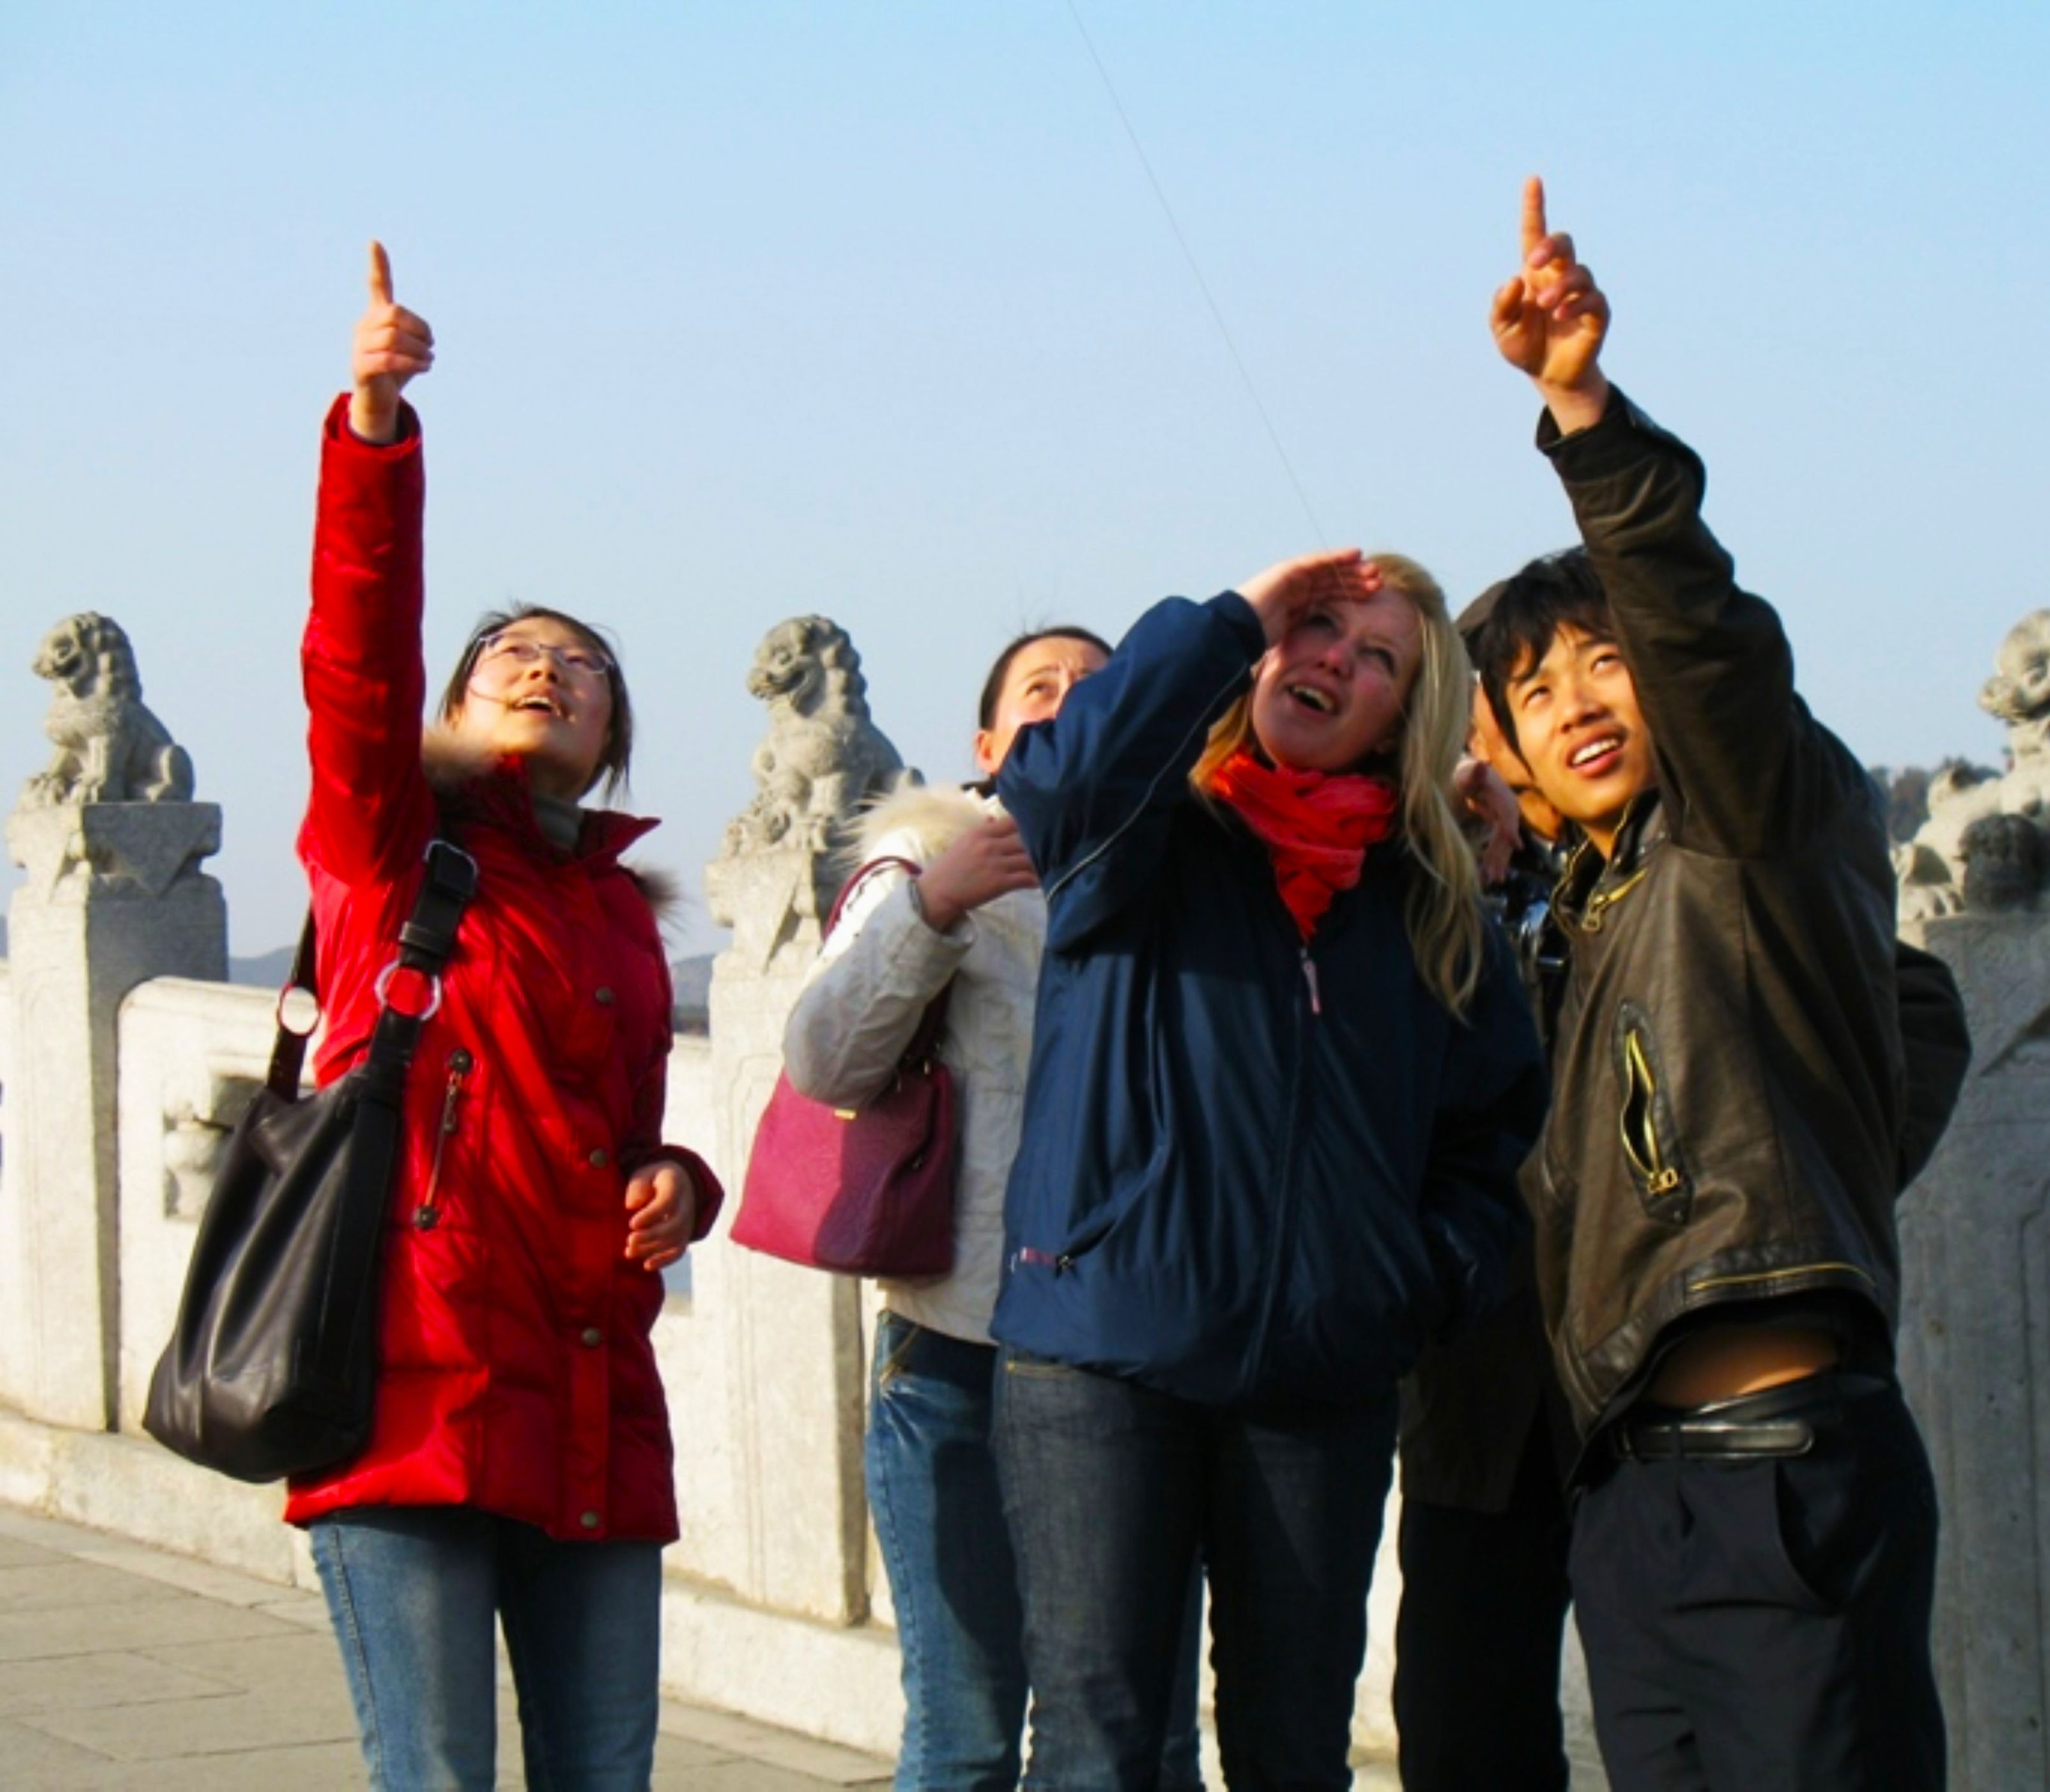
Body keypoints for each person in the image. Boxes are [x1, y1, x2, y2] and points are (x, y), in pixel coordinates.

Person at [1469, 178, 1970, 1790]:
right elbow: (1910, 1018)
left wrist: (1579, 408)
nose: (1577, 704)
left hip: (1782, 1467)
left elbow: (1706, 633)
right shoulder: (1585, 912)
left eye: (1602, 662)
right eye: (1537, 692)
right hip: (1635, 1495)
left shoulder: (1751, 817)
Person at [990, 548, 1548, 1788]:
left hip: (1321, 1376)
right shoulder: (1137, 837)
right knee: (1099, 1747)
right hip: (1100, 1347)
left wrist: (1400, 1282)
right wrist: (1235, 607)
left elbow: (1493, 1137)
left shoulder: (1429, 905)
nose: (1335, 659)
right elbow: (1062, 771)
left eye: (1377, 655)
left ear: (1406, 713)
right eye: (1316, 628)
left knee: (1295, 1753)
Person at [287, 243, 722, 1789]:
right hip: (414, 1385)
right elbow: (353, 653)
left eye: (583, 667)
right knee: (440, 1776)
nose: (547, 669)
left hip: (594, 1392)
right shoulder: (388, 844)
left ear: (611, 739)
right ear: (457, 709)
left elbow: (618, 1135)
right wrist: (377, 433)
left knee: (605, 1776)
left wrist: (682, 1182)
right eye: (512, 657)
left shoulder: (615, 904)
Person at [780, 627, 1204, 1791]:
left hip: (1136, 1356)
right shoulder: (921, 858)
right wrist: (935, 908)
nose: (1071, 701)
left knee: (1154, 1737)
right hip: (959, 1349)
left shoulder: (1183, 867)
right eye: (1041, 687)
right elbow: (821, 1061)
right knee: (966, 1731)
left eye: (1098, 685)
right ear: (986, 742)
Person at [1393, 694, 1579, 1792]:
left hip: (1659, 1392)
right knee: (1465, 1734)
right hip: (1479, 1395)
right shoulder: (1420, 891)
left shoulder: (1683, 862)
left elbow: (1913, 1013)